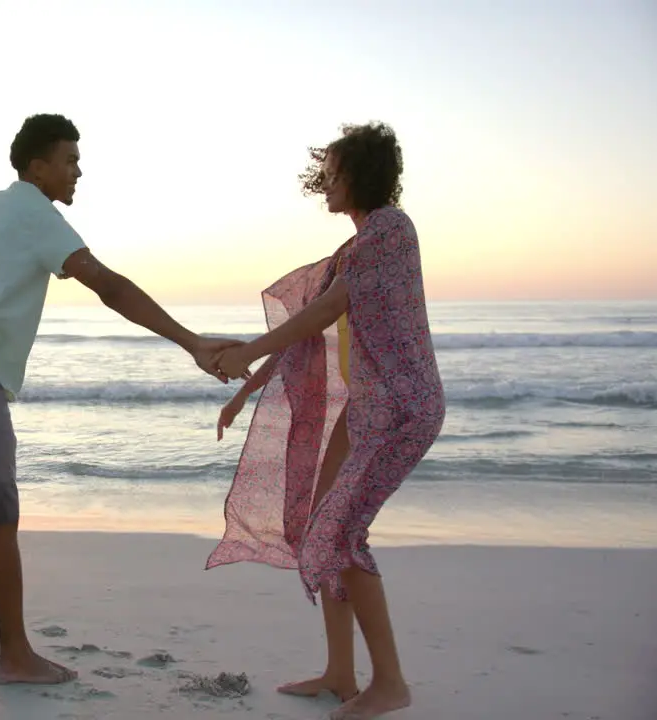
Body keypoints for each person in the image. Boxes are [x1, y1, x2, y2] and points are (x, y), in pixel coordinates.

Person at [0, 113, 243, 685]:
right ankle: (15, 657)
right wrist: (190, 340)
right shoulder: (37, 213)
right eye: (69, 161)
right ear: (37, 166)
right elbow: (108, 285)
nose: (77, 171)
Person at [206, 122, 445, 720]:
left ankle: (389, 684)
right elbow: (308, 341)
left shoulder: (388, 233)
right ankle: (342, 672)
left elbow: (321, 312)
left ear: (361, 174)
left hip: (400, 408)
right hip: (368, 407)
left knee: (342, 535)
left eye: (334, 173)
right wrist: (247, 388)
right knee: (321, 526)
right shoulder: (354, 247)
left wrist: (246, 351)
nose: (326, 184)